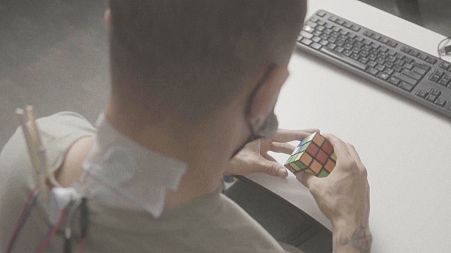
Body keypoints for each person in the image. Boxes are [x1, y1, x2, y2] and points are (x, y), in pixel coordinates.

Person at [0, 0, 371, 252]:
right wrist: (350, 230)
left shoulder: (35, 140)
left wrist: (210, 158)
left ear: (111, 25)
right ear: (268, 92)